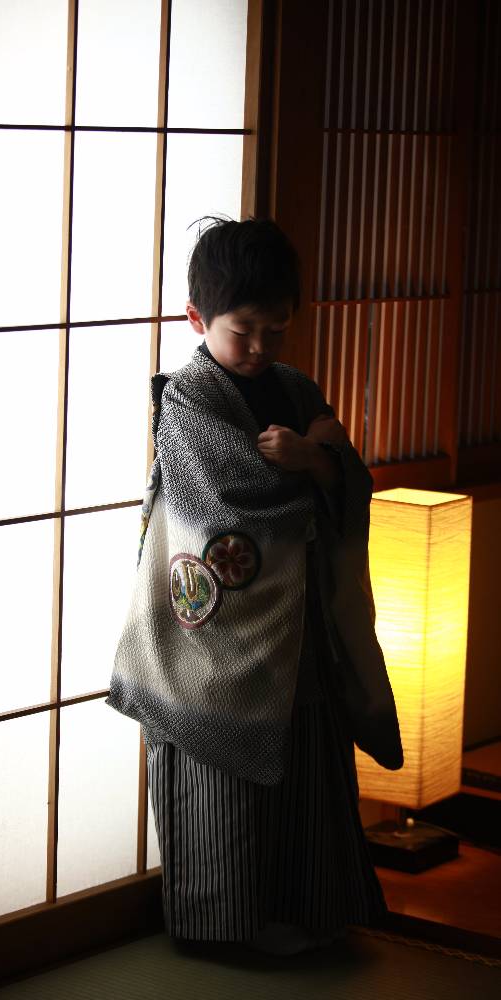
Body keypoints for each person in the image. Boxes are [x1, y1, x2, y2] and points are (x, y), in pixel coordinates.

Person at [107, 217, 402, 956]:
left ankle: (309, 912)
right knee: (220, 773)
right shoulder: (188, 399)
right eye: (243, 331)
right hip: (212, 632)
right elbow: (225, 504)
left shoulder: (295, 387)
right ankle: (224, 929)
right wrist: (312, 461)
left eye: (277, 329)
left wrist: (319, 460)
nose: (261, 347)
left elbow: (348, 474)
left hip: (297, 622)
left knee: (304, 760)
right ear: (197, 318)